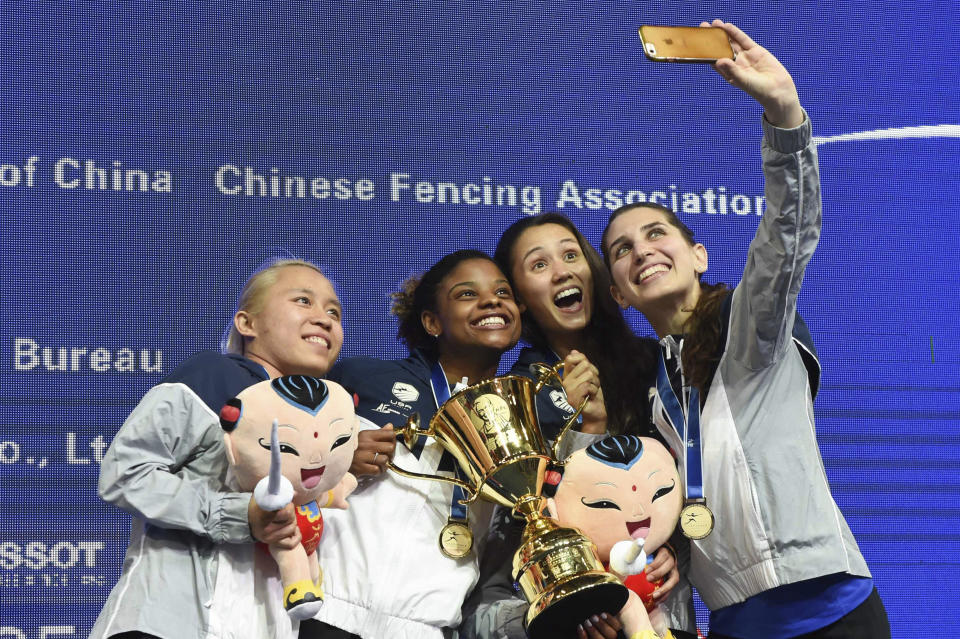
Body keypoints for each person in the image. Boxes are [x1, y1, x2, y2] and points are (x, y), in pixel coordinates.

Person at [601, 21, 890, 639]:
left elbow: (787, 237)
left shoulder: (750, 323)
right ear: (619, 291)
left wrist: (784, 113)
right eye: (622, 249)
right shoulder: (646, 389)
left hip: (831, 604)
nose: (642, 250)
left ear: (698, 254)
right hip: (734, 621)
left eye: (657, 234)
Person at [457, 216, 696, 639]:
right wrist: (564, 605)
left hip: (665, 620)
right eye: (539, 265)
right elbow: (495, 570)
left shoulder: (652, 364)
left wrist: (675, 548)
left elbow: (688, 482)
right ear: (521, 300)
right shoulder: (514, 401)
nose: (563, 270)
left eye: (571, 255)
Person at [91, 259, 344, 639]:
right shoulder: (212, 375)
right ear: (247, 324)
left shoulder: (333, 421)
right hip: (168, 623)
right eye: (303, 301)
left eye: (334, 312)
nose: (324, 319)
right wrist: (242, 516)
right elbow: (126, 474)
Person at [303, 250, 523, 639]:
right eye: (467, 294)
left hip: (425, 629)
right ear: (432, 321)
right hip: (324, 613)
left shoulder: (517, 421)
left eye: (502, 292)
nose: (492, 301)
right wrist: (339, 460)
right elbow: (279, 463)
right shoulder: (361, 378)